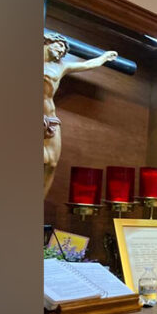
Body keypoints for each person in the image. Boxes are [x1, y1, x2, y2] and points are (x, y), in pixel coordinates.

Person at [43, 32, 117, 197]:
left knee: (52, 164)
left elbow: (87, 65)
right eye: (59, 46)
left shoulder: (61, 67)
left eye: (63, 50)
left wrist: (104, 57)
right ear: (47, 42)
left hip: (51, 119)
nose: (61, 51)